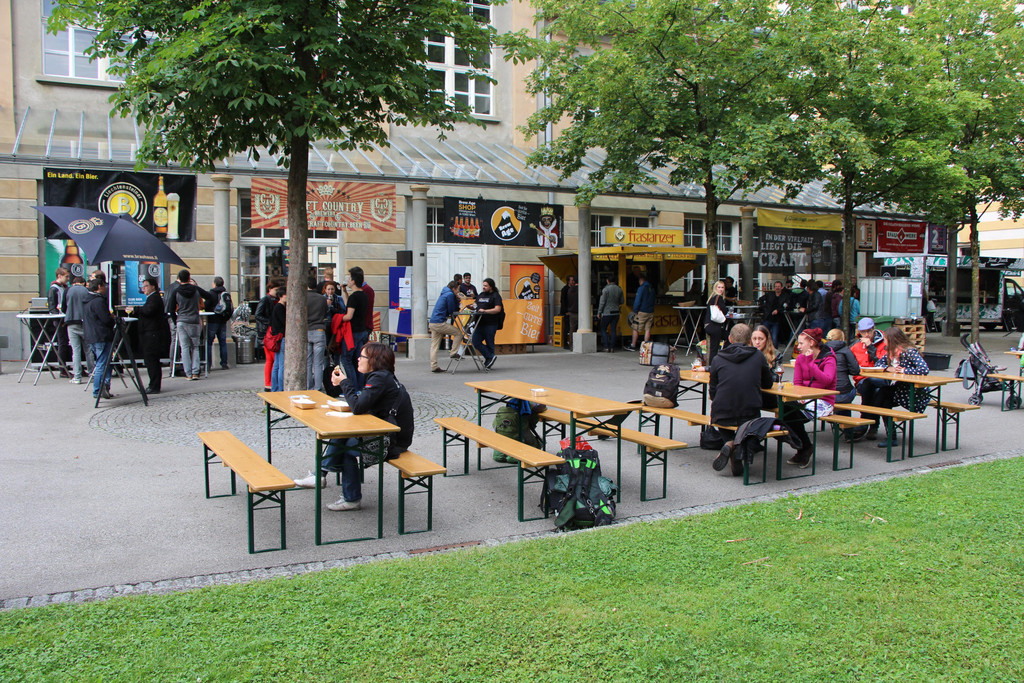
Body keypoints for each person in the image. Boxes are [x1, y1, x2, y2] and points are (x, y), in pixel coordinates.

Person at [293, 343, 414, 512]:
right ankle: (326, 479)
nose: (358, 359)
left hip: (393, 443)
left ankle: (339, 489)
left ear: (374, 360)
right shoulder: (382, 377)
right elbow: (362, 404)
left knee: (344, 446)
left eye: (362, 356)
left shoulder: (379, 379)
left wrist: (344, 382)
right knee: (344, 436)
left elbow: (357, 407)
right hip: (390, 434)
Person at [709, 323, 773, 476]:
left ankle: (730, 444)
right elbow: (768, 383)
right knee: (754, 427)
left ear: (730, 339)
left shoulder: (718, 358)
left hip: (722, 413)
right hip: (749, 411)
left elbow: (713, 391)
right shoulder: (758, 356)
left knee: (722, 417)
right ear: (750, 340)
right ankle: (735, 447)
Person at [781, 327, 837, 468]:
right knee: (785, 409)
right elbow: (797, 382)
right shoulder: (801, 358)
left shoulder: (829, 358)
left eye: (801, 343)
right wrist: (799, 396)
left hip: (824, 400)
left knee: (792, 416)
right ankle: (804, 447)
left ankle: (803, 448)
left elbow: (827, 381)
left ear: (811, 343)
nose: (798, 347)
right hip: (805, 398)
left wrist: (811, 364)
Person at [873, 326, 930, 448]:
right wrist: (888, 368)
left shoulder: (909, 351)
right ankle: (890, 435)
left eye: (885, 339)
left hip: (914, 391)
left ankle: (890, 435)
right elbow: (878, 364)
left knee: (883, 398)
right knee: (881, 397)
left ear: (892, 339)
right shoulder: (891, 352)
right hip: (901, 388)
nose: (884, 341)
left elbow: (924, 369)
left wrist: (904, 370)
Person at [165, 269, 210, 380]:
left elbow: (170, 308)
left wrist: (176, 320)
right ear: (189, 278)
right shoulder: (196, 289)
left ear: (179, 279)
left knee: (184, 348)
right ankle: (195, 372)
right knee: (195, 347)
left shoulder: (176, 291)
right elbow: (209, 296)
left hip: (182, 321)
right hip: (194, 321)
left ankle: (188, 373)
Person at [852, 317, 888, 439]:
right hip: (862, 380)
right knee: (869, 387)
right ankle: (872, 426)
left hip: (880, 380)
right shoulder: (855, 346)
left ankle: (866, 424)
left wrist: (870, 347)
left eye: (869, 331)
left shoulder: (884, 344)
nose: (866, 334)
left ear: (874, 329)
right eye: (863, 332)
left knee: (875, 389)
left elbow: (881, 363)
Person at [133, 276, 169, 394]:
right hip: (149, 332)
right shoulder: (151, 298)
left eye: (146, 286)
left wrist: (137, 310)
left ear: (153, 286)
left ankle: (154, 385)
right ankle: (153, 384)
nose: (144, 288)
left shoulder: (155, 298)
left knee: (152, 359)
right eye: (143, 286)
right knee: (150, 360)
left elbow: (148, 311)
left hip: (152, 333)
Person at [83, 279, 115, 400]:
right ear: (99, 286)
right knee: (102, 363)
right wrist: (112, 318)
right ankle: (98, 389)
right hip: (101, 335)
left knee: (103, 362)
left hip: (91, 335)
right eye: (104, 286)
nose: (106, 288)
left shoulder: (87, 300)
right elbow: (105, 319)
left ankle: (103, 387)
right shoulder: (98, 301)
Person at [339, 267, 369, 388]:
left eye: (349, 278)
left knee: (346, 360)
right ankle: (360, 387)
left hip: (353, 332)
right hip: (362, 330)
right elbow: (349, 305)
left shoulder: (354, 297)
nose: (348, 280)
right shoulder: (363, 295)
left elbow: (349, 316)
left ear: (353, 281)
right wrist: (345, 292)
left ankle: (352, 387)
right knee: (358, 360)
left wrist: (337, 318)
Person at [824, 328, 861, 416]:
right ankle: (845, 422)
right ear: (842, 338)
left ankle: (837, 418)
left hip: (825, 393)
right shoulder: (846, 350)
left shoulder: (821, 350)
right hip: (844, 393)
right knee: (851, 391)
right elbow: (856, 370)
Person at [429, 281, 464, 373]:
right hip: (440, 323)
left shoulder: (444, 293)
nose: (458, 291)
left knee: (434, 346)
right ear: (454, 288)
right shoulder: (450, 295)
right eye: (458, 289)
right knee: (458, 333)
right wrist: (458, 300)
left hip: (433, 322)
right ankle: (453, 352)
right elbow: (452, 310)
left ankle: (434, 366)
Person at [471, 277, 503, 370]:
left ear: (491, 287)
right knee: (475, 341)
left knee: (489, 343)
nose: (483, 287)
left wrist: (485, 311)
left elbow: (498, 309)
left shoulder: (495, 296)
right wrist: (472, 307)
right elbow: (476, 304)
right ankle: (490, 356)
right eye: (483, 285)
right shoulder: (481, 295)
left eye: (486, 286)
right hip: (479, 322)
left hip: (490, 323)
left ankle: (489, 361)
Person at [255, 283, 280, 391]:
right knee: (272, 359)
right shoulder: (266, 299)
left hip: (267, 331)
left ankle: (268, 383)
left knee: (270, 360)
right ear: (270, 289)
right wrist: (270, 322)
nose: (277, 292)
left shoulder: (271, 300)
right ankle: (270, 383)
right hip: (267, 332)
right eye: (276, 289)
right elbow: (258, 315)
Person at [47, 267, 71, 376]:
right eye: (66, 276)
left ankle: (64, 366)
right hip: (60, 319)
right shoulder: (54, 289)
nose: (68, 279)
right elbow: (52, 307)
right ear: (59, 276)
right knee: (62, 343)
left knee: (65, 343)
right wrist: (59, 318)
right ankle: (62, 368)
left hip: (64, 318)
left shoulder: (63, 287)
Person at [306, 275, 328, 391]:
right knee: (318, 362)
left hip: (306, 330)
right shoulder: (322, 299)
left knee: (308, 362)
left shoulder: (303, 298)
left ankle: (309, 386)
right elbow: (325, 313)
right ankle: (318, 387)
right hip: (319, 329)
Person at [205, 276, 232, 371]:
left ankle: (208, 364)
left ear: (215, 284)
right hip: (222, 321)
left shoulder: (211, 294)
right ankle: (224, 363)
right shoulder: (226, 294)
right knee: (223, 343)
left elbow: (206, 306)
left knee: (209, 343)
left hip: (212, 321)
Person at [627, 271, 654, 351]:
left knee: (635, 328)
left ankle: (633, 345)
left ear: (641, 280)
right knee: (647, 329)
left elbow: (637, 300)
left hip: (642, 311)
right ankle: (646, 347)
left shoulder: (641, 288)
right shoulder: (651, 288)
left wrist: (635, 310)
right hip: (650, 311)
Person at [597, 274, 624, 352]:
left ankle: (606, 346)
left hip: (607, 312)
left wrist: (599, 312)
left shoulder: (605, 290)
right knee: (613, 329)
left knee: (603, 329)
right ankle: (612, 347)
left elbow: (602, 302)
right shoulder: (619, 289)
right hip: (616, 312)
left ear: (607, 281)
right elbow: (622, 301)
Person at [705, 279, 729, 365]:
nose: (721, 289)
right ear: (715, 288)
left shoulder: (712, 297)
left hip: (709, 325)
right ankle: (713, 365)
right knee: (715, 348)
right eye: (719, 287)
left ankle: (713, 364)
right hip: (714, 326)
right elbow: (724, 310)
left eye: (722, 287)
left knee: (714, 347)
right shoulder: (719, 298)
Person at [269, 287, 287, 392]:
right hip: (281, 337)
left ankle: (275, 387)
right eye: (286, 295)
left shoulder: (277, 307)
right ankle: (280, 388)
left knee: (277, 364)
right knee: (281, 365)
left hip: (277, 338)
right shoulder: (280, 307)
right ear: (281, 296)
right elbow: (284, 322)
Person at [760, 281, 788, 347]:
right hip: (768, 318)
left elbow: (786, 306)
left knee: (774, 338)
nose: (777, 288)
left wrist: (778, 310)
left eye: (778, 286)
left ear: (782, 287)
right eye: (776, 286)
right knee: (763, 336)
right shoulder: (770, 294)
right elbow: (761, 299)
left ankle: (774, 351)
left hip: (777, 320)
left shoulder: (785, 296)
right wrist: (765, 308)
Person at [560, 275, 579, 345]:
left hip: (571, 310)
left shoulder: (571, 289)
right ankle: (566, 342)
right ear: (568, 281)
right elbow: (563, 301)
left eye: (573, 280)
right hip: (567, 311)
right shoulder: (565, 289)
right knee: (567, 328)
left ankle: (572, 343)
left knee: (571, 328)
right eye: (571, 280)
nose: (573, 281)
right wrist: (566, 311)